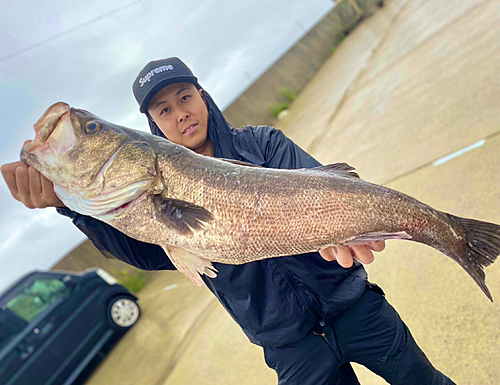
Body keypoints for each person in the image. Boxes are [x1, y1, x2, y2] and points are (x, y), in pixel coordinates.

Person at [1, 57, 455, 384]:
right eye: (164, 109)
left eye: (185, 96)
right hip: (289, 348)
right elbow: (146, 252)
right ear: (154, 126)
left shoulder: (263, 143)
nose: (180, 113)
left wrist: (344, 233)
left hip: (356, 308)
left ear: (203, 95)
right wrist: (70, 207)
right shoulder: (140, 198)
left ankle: (452, 234)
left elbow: (326, 192)